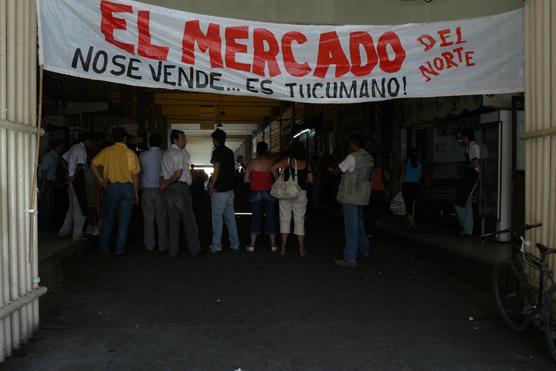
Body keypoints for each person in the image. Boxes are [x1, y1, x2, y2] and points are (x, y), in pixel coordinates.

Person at [91, 127, 140, 256]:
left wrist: (101, 180)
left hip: (111, 188)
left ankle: (104, 249)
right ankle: (119, 250)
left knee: (107, 219)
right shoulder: (130, 153)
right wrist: (136, 193)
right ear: (124, 138)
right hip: (127, 189)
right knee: (124, 221)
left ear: (113, 138)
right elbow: (135, 176)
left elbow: (93, 164)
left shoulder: (106, 151)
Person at [333, 135, 374, 268]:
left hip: (351, 195)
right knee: (359, 224)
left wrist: (332, 170)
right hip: (362, 195)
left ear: (353, 144)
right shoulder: (368, 157)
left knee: (351, 226)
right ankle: (364, 249)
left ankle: (350, 257)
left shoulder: (352, 157)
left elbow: (338, 170)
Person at [161, 130, 201, 258]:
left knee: (173, 222)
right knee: (189, 220)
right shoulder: (177, 153)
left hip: (169, 191)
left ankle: (173, 251)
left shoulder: (166, 153)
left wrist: (165, 184)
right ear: (175, 140)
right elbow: (178, 174)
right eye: (183, 138)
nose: (185, 141)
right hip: (180, 189)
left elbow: (162, 174)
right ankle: (194, 250)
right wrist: (168, 182)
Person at [272, 141, 313, 256]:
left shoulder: (287, 161)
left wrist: (278, 180)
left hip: (286, 193)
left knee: (285, 220)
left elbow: (273, 168)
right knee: (299, 221)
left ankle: (283, 249)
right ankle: (301, 249)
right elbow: (311, 180)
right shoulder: (306, 163)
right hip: (301, 194)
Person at [208, 129, 240, 252]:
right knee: (230, 219)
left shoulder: (217, 152)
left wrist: (211, 185)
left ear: (215, 141)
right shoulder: (230, 152)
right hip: (229, 191)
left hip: (219, 191)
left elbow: (216, 170)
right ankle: (235, 244)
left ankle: (216, 245)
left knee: (217, 219)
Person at [58, 133, 95, 240]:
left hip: (70, 180)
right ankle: (77, 233)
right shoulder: (81, 150)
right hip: (76, 180)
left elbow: (62, 159)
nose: (91, 145)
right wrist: (73, 175)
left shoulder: (74, 147)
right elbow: (80, 165)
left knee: (71, 208)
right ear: (87, 141)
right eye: (91, 142)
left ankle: (64, 231)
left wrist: (68, 171)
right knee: (79, 207)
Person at [243, 142, 277, 252]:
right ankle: (273, 245)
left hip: (255, 192)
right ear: (266, 150)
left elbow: (245, 180)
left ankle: (252, 245)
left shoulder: (252, 163)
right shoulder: (270, 163)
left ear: (257, 151)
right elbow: (277, 178)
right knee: (271, 217)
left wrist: (255, 180)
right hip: (268, 192)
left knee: (255, 217)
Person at [139, 133, 168, 253]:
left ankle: (149, 246)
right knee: (161, 219)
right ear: (161, 143)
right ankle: (162, 246)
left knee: (148, 219)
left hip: (146, 190)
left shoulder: (142, 155)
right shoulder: (164, 155)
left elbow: (139, 171)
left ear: (149, 143)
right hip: (161, 189)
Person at [455, 128, 480, 237]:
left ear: (466, 137)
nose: (461, 140)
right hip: (469, 176)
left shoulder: (474, 147)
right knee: (466, 203)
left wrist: (463, 166)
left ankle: (466, 227)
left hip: (472, 177)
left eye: (462, 138)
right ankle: (467, 229)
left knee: (461, 203)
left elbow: (475, 164)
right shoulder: (469, 147)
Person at [38, 140, 65, 230]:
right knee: (45, 204)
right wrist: (43, 185)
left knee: (48, 204)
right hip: (46, 181)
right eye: (61, 146)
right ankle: (44, 225)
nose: (62, 148)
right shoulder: (49, 157)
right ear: (56, 147)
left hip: (50, 182)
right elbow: (44, 172)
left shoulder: (56, 157)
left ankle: (46, 224)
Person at [400, 148, 423, 231]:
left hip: (407, 185)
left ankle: (412, 223)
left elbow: (402, 175)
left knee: (408, 204)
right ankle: (411, 222)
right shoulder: (419, 164)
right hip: (415, 186)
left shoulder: (405, 162)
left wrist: (400, 186)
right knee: (412, 204)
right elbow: (420, 176)